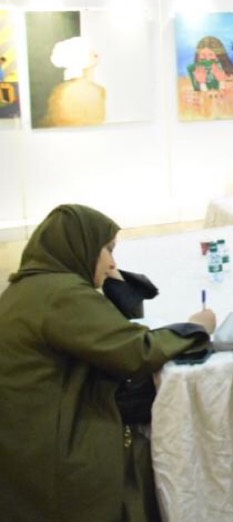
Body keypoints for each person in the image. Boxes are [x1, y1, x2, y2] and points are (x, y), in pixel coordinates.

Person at [0, 204, 216, 521]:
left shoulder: (27, 288)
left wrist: (113, 284)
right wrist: (196, 328)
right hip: (57, 454)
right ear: (81, 246)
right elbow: (137, 352)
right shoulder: (61, 294)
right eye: (108, 250)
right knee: (164, 456)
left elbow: (110, 336)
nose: (113, 263)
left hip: (25, 446)